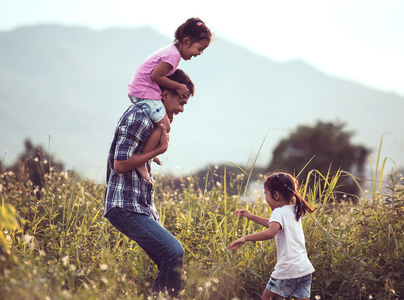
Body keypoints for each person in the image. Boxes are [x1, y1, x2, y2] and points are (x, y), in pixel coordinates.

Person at [104, 69, 195, 299]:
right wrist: (158, 150)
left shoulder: (153, 122)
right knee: (173, 252)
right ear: (165, 95)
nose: (182, 109)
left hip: (139, 206)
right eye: (181, 101)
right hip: (124, 205)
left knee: (172, 263)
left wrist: (150, 153)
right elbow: (120, 164)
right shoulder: (138, 117)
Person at [127, 17, 212, 183]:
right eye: (199, 49)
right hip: (144, 92)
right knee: (165, 126)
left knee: (159, 125)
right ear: (186, 41)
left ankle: (144, 156)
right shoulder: (172, 56)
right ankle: (141, 160)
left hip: (142, 90)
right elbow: (155, 76)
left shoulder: (172, 54)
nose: (199, 54)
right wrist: (178, 86)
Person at [227, 172, 316, 300]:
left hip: (287, 269)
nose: (265, 198)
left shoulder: (278, 211)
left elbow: (271, 231)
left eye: (265, 193)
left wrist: (245, 238)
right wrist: (251, 216)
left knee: (266, 298)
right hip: (304, 269)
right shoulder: (294, 209)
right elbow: (273, 225)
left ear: (276, 195)